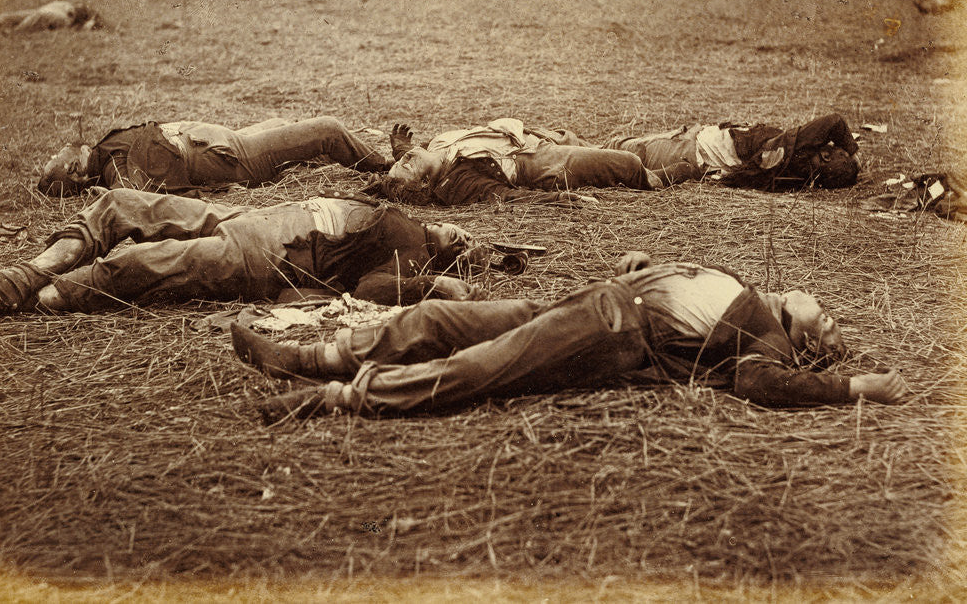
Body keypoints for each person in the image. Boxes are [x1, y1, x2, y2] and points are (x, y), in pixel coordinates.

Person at [234, 250, 910, 421]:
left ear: (805, 337)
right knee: (438, 319)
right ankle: (303, 356)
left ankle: (336, 396)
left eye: (826, 323)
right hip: (597, 297)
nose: (826, 311)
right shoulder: (746, 288)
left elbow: (760, 383)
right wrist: (650, 261)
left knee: (483, 365)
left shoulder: (767, 340)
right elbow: (684, 284)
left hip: (612, 329)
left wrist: (855, 385)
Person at [0, 190, 479, 313]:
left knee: (133, 266)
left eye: (466, 248)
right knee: (120, 203)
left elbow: (372, 291)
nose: (465, 238)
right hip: (251, 221)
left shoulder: (414, 253)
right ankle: (29, 270)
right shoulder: (401, 216)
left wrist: (436, 283)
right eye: (468, 235)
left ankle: (25, 294)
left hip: (261, 255)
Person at [38, 116, 390, 196]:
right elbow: (133, 195)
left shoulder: (105, 152)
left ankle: (349, 151)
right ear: (75, 169)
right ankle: (389, 168)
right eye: (56, 157)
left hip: (227, 141)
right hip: (235, 156)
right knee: (326, 130)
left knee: (284, 124)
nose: (58, 149)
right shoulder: (114, 169)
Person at [374, 118, 694, 206]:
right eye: (406, 165)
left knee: (597, 141)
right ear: (427, 183)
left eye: (401, 160)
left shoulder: (434, 149)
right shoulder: (458, 182)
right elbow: (508, 197)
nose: (405, 159)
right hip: (539, 160)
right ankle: (656, 178)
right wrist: (558, 199)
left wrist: (404, 152)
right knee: (625, 161)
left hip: (535, 136)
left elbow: (415, 156)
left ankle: (655, 149)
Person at [603, 113, 860, 190]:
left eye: (833, 149)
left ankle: (565, 142)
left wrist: (852, 153)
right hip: (693, 154)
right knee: (617, 154)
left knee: (615, 149)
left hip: (685, 148)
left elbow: (835, 121)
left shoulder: (792, 150)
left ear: (826, 155)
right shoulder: (797, 178)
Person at [0, 0, 103, 35]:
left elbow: (83, 25)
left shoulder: (75, 18)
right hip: (45, 12)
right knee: (6, 18)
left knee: (35, 17)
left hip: (51, 16)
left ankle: (11, 33)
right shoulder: (65, 5)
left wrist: (90, 20)